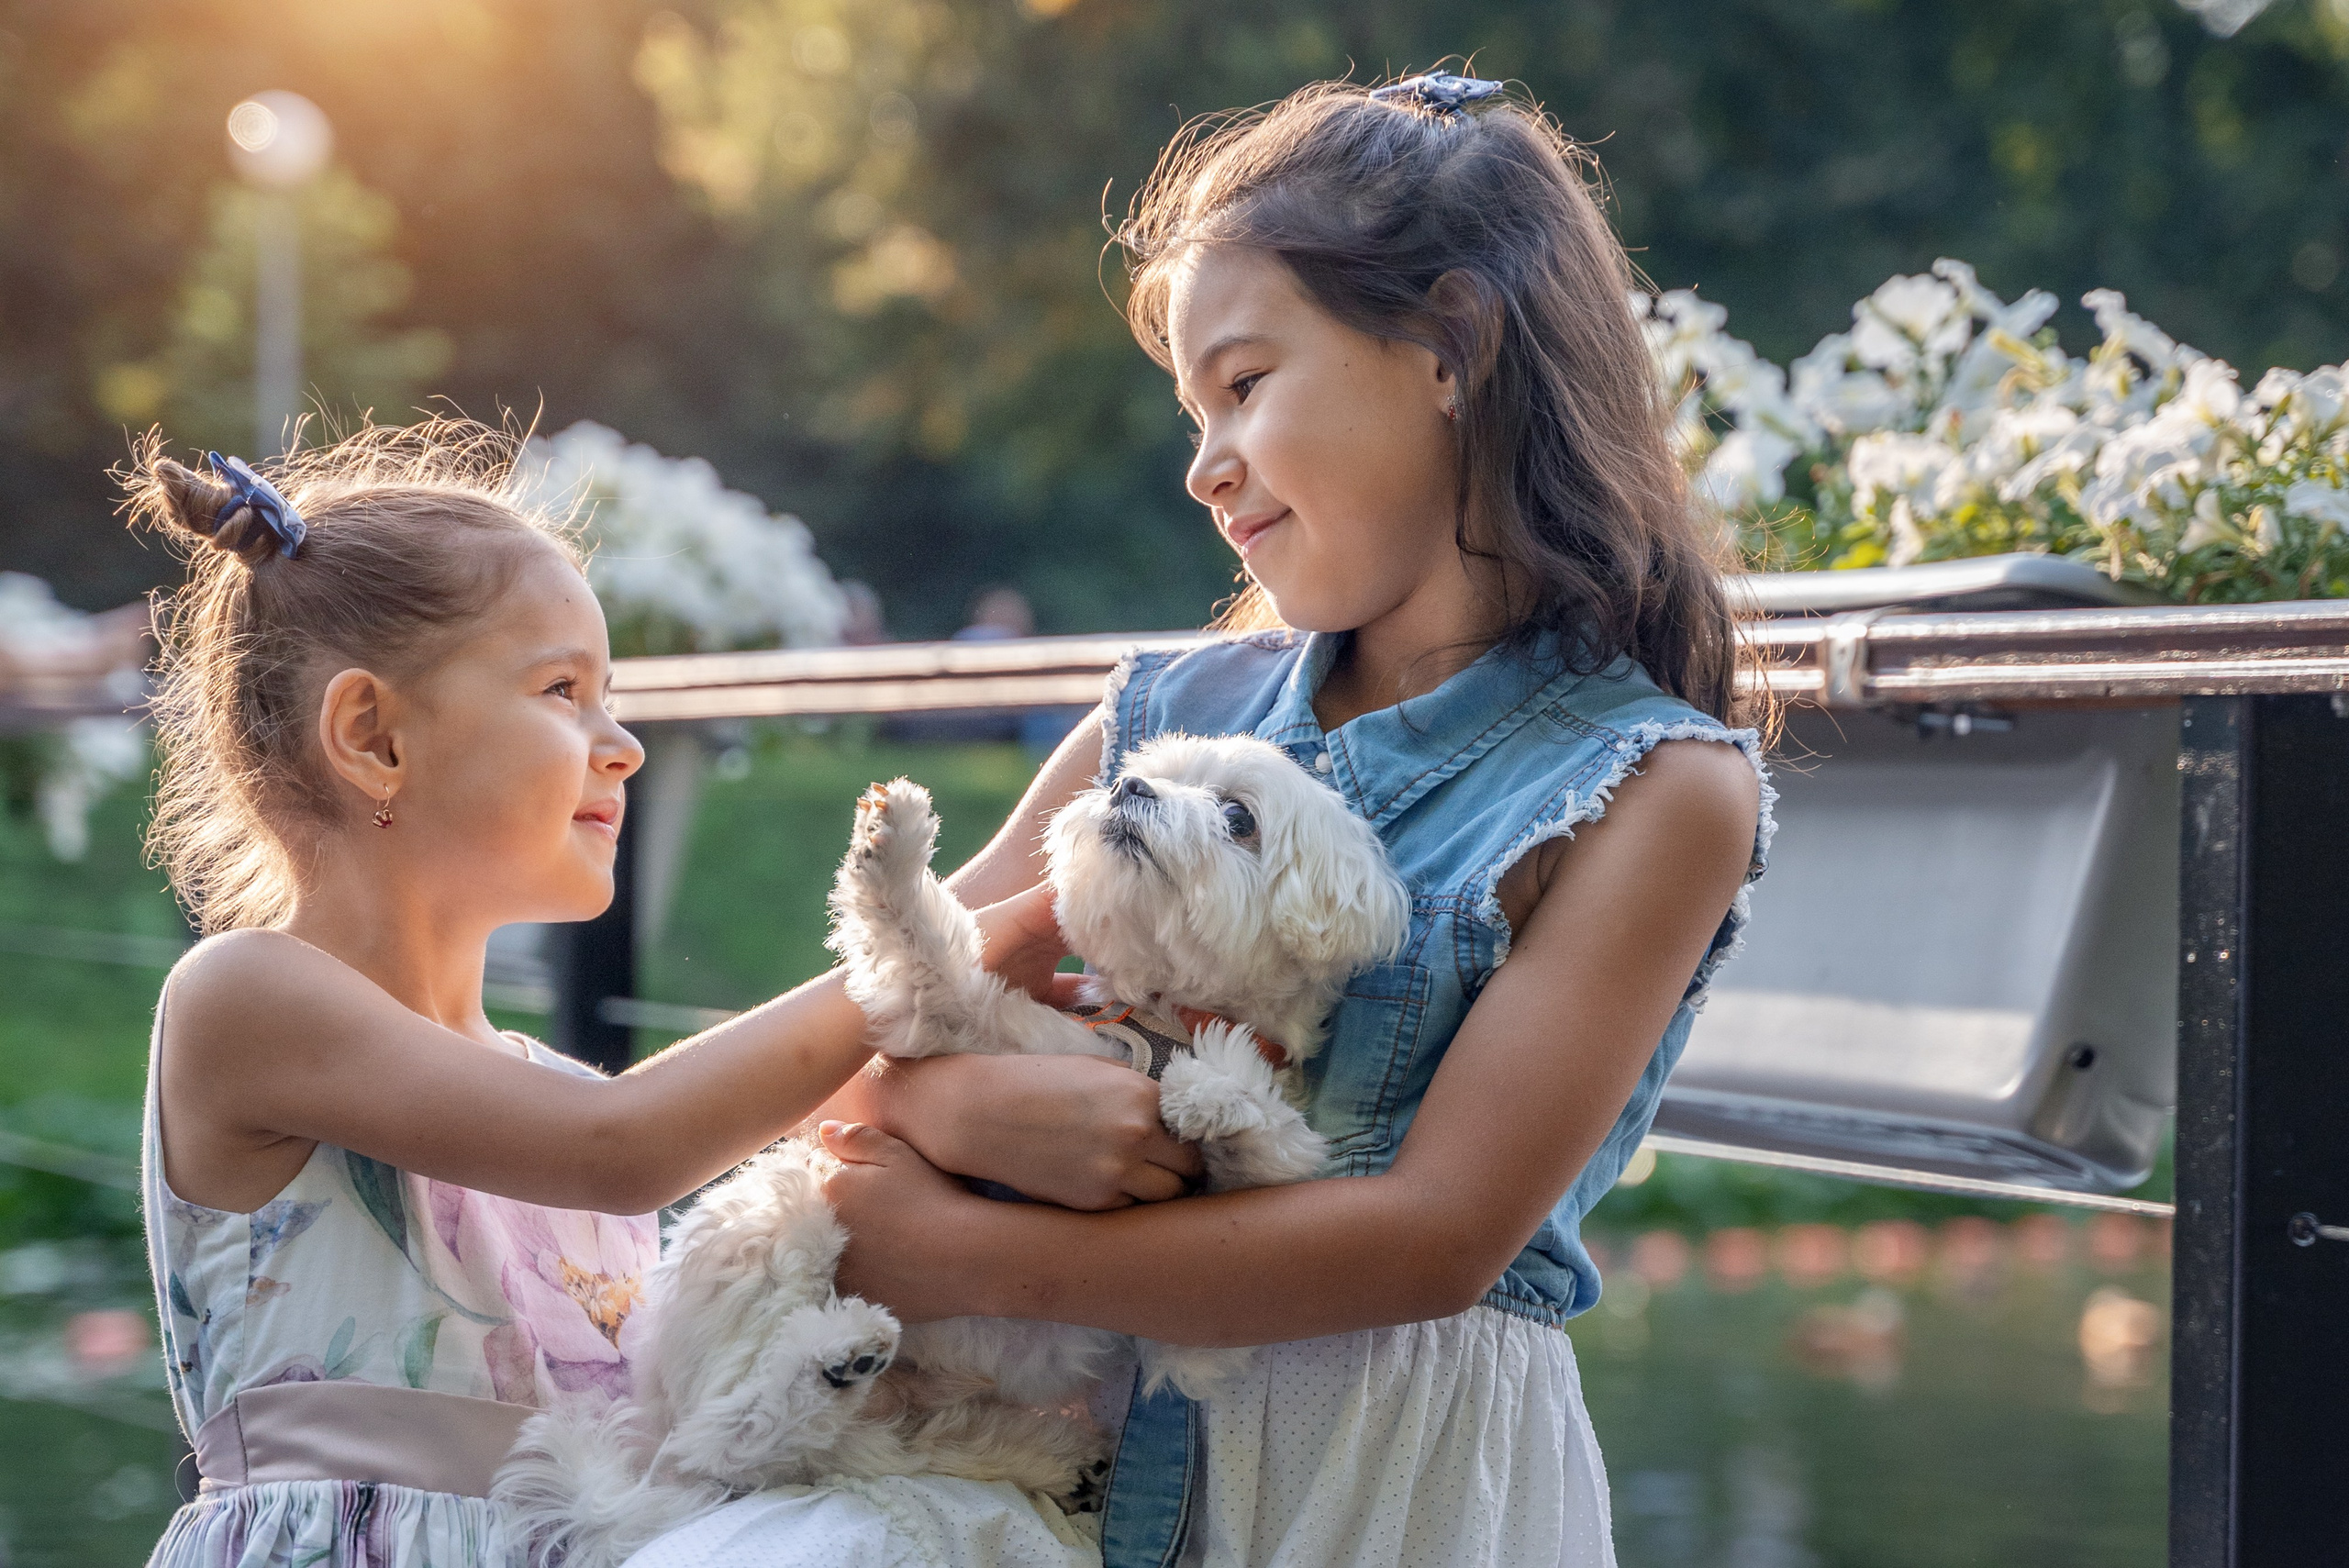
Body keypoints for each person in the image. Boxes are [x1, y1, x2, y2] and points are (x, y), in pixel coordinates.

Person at [651, 72, 1774, 1568]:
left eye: (1245, 384)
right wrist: (941, 1109)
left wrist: (962, 1246)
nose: (1204, 462)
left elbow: (1435, 1237)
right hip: (1064, 1476)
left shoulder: (1654, 784)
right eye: (1195, 409)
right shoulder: (1162, 719)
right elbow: (864, 1027)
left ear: (1454, 343)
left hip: (1390, 1485)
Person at [120, 424, 1073, 1568]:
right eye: (562, 688)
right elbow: (623, 1144)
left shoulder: (561, 1089)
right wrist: (949, 926)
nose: (619, 742)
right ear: (371, 735)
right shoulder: (247, 996)